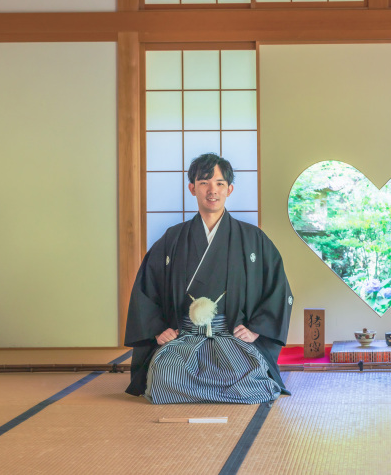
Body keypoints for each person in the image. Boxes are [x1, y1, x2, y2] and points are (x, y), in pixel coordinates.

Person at [124, 153, 294, 404]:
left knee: (247, 376)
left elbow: (278, 288)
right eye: (204, 183)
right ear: (192, 188)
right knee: (162, 377)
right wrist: (158, 330)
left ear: (230, 189)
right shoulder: (173, 238)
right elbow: (146, 289)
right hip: (185, 338)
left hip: (231, 338)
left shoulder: (252, 239)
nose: (212, 190)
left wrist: (257, 329)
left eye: (220, 184)